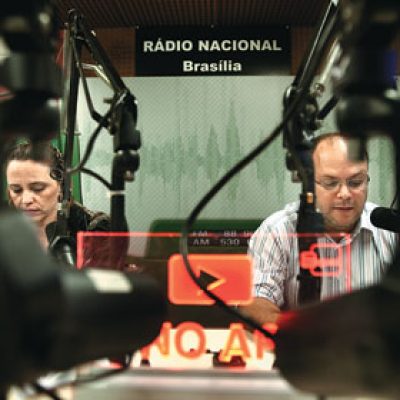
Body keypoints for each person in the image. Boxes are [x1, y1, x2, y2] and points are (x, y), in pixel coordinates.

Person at [241, 132, 398, 325]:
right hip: (301, 342)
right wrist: (308, 335)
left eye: (356, 182)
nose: (345, 194)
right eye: (330, 183)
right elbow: (254, 305)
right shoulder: (277, 231)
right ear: (308, 185)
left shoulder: (389, 230)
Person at [5, 141, 110, 257]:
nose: (26, 200)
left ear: (62, 186)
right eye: (16, 190)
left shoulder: (95, 231)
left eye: (38, 188)